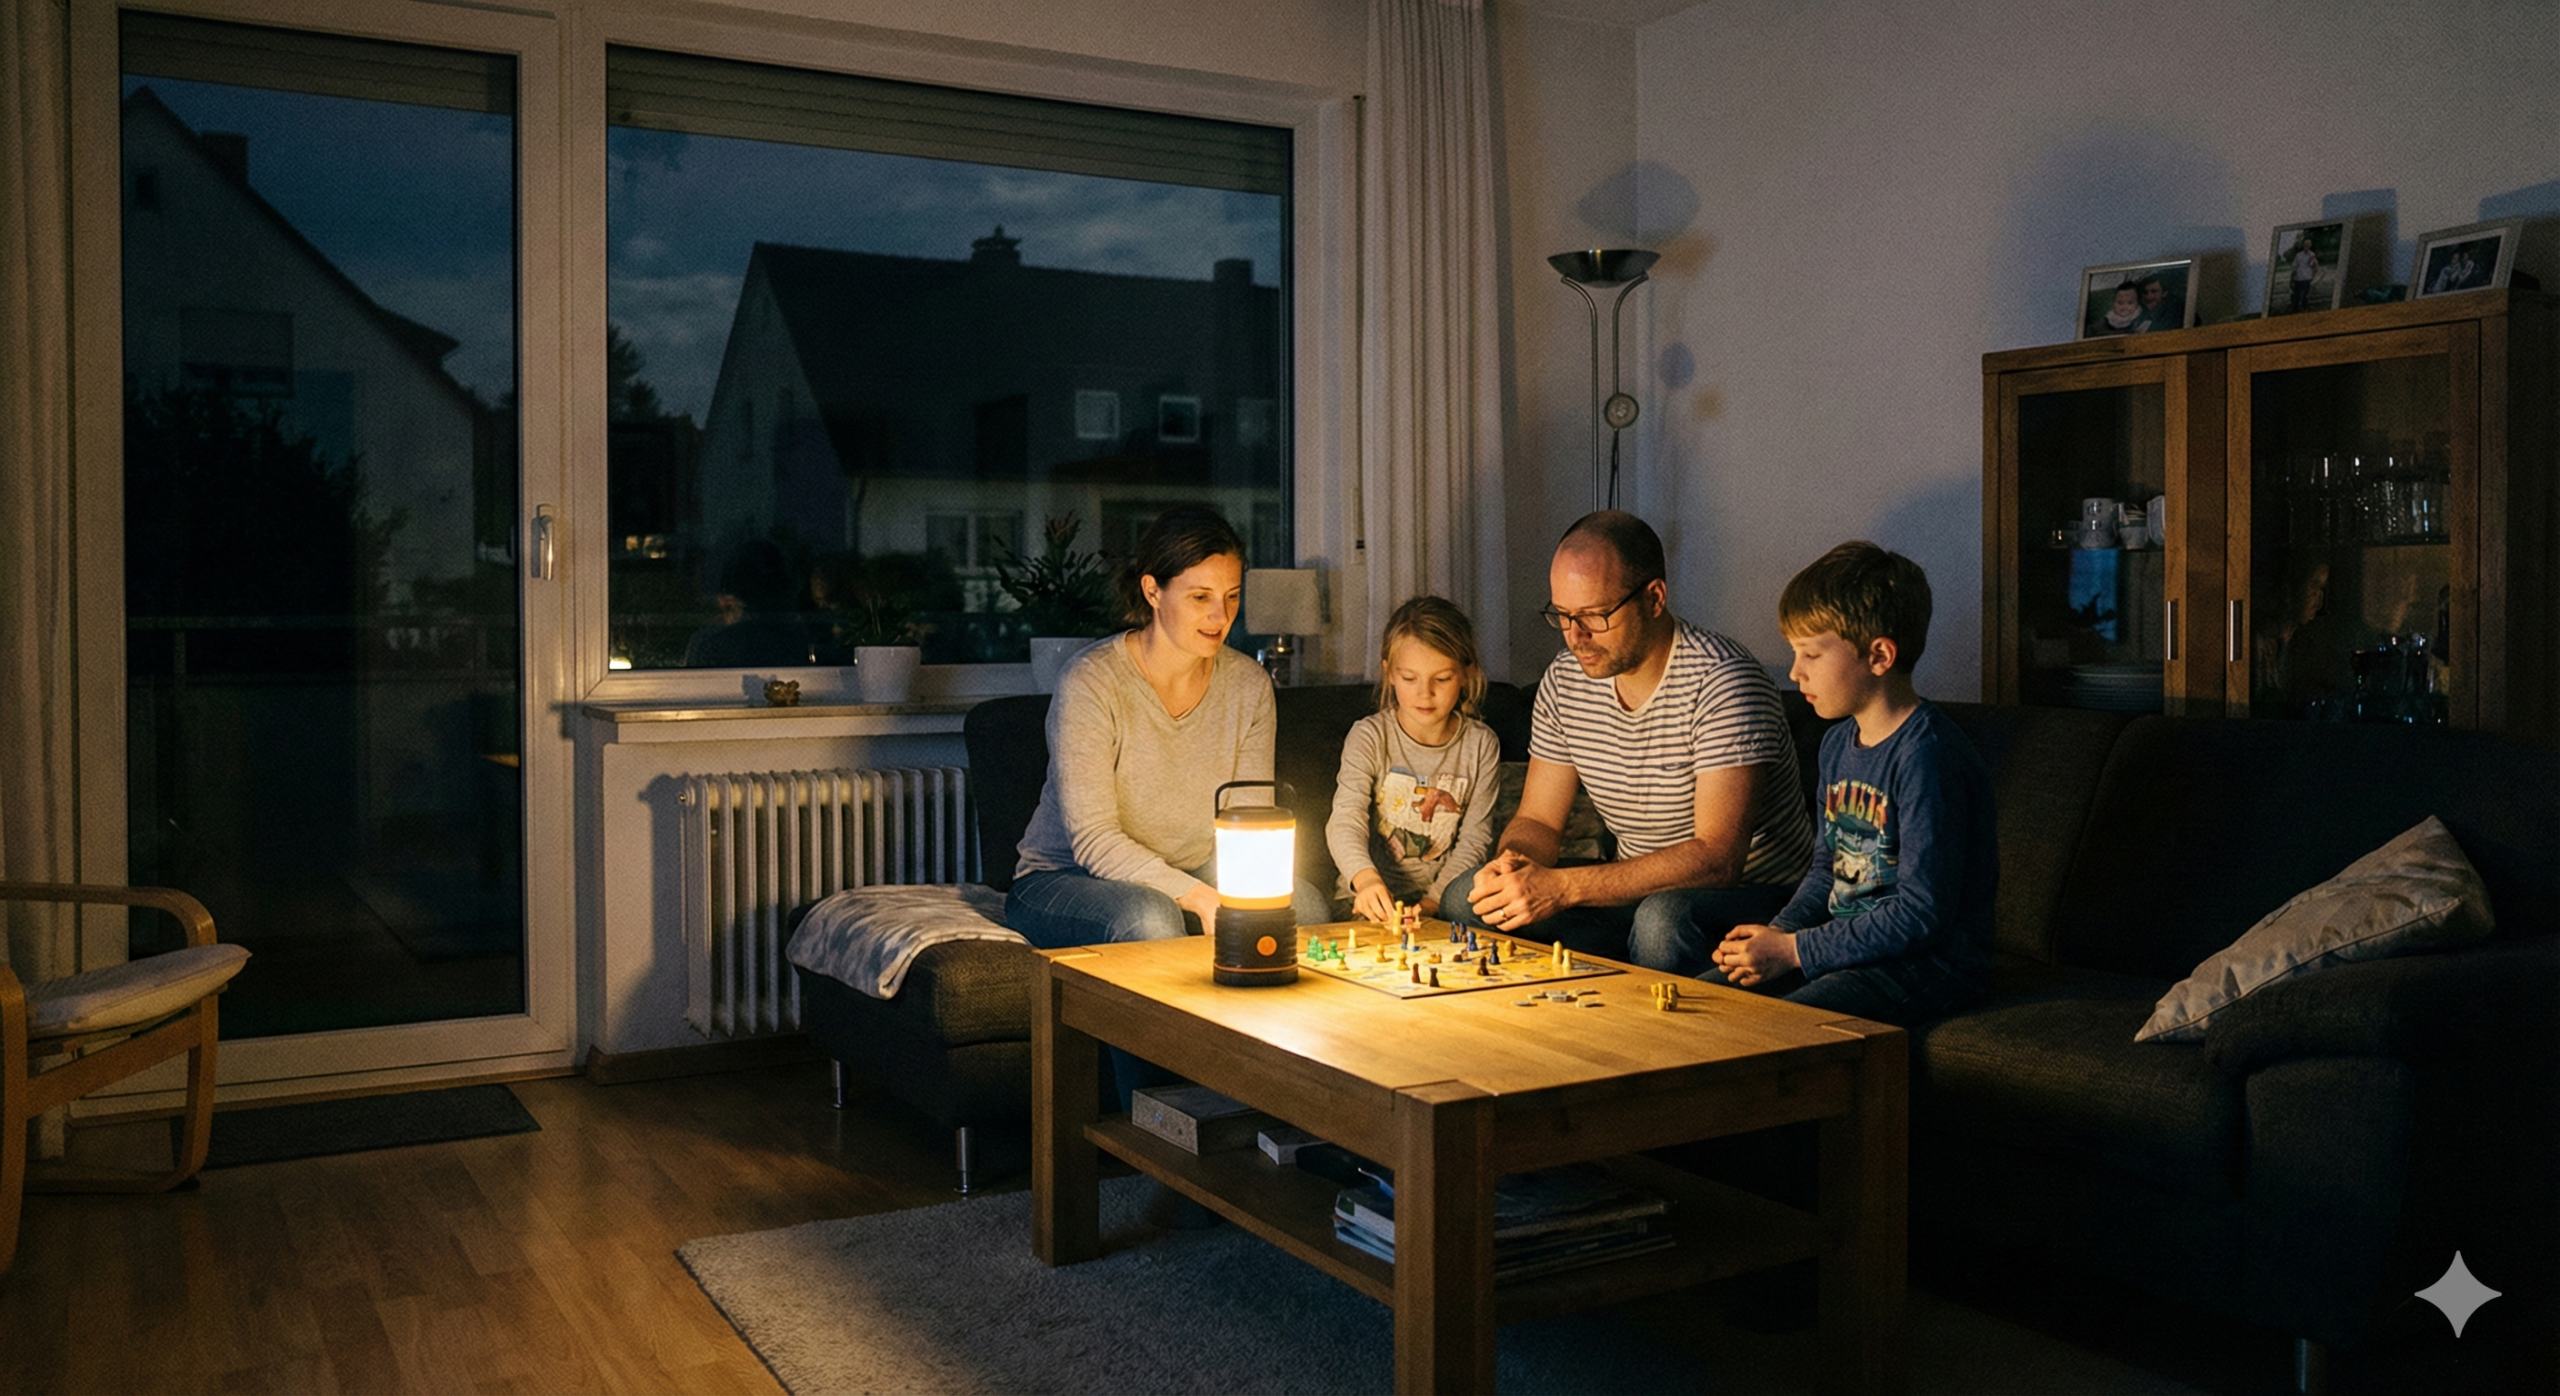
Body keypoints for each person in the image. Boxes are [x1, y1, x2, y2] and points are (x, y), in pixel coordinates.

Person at [1004, 504, 1327, 1100]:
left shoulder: (1249, 686)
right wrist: (1201, 897)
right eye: (1200, 596)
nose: (1220, 616)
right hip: (1065, 877)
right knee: (1147, 918)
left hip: (1191, 868)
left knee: (1301, 903)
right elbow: (1094, 840)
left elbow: (1250, 818)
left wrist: (1242, 894)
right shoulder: (1092, 683)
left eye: (1230, 597)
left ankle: (1276, 1099)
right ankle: (1160, 1120)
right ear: (1153, 590)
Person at [1446, 511, 1812, 963]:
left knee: (1661, 922)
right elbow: (1539, 819)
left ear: (1654, 598)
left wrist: (1563, 888)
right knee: (1468, 896)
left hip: (1750, 896)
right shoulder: (1565, 680)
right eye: (1562, 615)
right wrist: (1513, 865)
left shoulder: (1723, 680)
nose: (1575, 637)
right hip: (1632, 891)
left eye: (1595, 616)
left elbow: (1718, 857)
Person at [1706, 541, 1997, 1029]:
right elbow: (1827, 869)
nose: (1795, 671)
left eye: (1811, 654)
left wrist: (1795, 950)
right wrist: (1773, 938)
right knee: (1708, 1004)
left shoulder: (1928, 756)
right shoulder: (1837, 744)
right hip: (1846, 947)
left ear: (1879, 655)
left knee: (1770, 1027)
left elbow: (1922, 913)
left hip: (1931, 963)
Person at [1325, 596, 1504, 923]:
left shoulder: (1481, 745)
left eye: (1442, 679)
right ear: (1389, 673)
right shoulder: (1369, 736)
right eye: (1410, 678)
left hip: (1444, 903)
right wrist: (1365, 879)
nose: (1425, 693)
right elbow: (1345, 819)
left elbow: (1476, 840)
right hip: (1366, 902)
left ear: (1466, 673)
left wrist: (1433, 902)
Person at [2286, 236, 2321, 313]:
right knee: (2296, 295)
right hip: (2298, 278)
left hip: (2307, 278)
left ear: (2310, 245)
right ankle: (2295, 309)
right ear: (2303, 245)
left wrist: (2313, 276)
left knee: (2305, 295)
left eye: (2308, 244)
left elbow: (2315, 266)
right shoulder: (2298, 255)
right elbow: (2294, 266)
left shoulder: (2312, 255)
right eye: (2305, 244)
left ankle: (2304, 309)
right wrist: (2292, 278)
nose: (2307, 245)